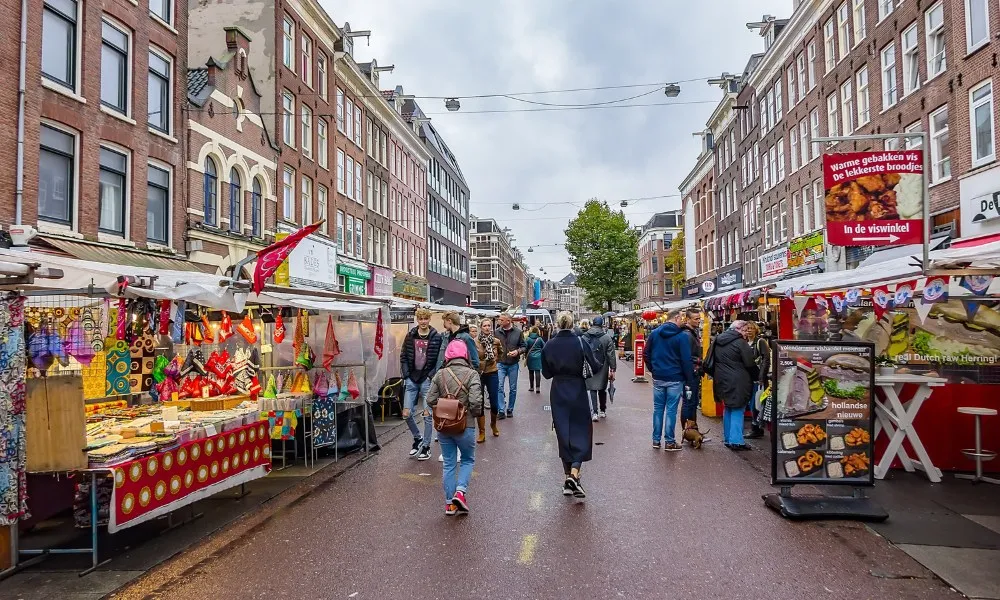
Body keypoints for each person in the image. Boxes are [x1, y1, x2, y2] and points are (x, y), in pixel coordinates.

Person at [542, 311, 601, 498]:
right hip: (577, 388)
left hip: (558, 390)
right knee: (581, 430)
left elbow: (546, 373)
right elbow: (595, 365)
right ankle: (574, 473)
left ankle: (568, 478)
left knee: (563, 432)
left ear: (558, 324)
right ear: (572, 323)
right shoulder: (580, 342)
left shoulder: (549, 345)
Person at [425, 340, 485, 516]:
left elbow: (430, 400)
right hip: (465, 424)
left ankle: (450, 504)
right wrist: (470, 413)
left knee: (449, 463)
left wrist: (445, 406)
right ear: (465, 355)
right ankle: (460, 492)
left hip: (444, 426)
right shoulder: (472, 374)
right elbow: (476, 401)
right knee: (467, 460)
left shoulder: (440, 374)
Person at [644, 309, 695, 451]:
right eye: (682, 319)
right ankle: (670, 442)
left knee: (658, 409)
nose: (683, 321)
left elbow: (646, 353)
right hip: (675, 377)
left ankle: (655, 440)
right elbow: (686, 360)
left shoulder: (654, 334)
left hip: (659, 377)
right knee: (671, 410)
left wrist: (653, 370)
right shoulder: (682, 336)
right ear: (676, 318)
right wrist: (689, 379)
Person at [399, 308, 443, 461]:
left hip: (426, 380)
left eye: (426, 319)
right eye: (421, 319)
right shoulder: (410, 335)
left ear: (429, 319)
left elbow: (439, 359)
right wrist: (406, 375)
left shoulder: (436, 337)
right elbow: (403, 356)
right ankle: (418, 438)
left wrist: (431, 376)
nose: (423, 322)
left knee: (427, 415)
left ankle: (426, 446)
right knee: (406, 413)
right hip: (411, 379)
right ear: (417, 320)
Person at [712, 320, 759, 451]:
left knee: (728, 408)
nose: (746, 333)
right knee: (738, 408)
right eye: (744, 330)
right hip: (739, 380)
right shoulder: (740, 343)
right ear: (738, 330)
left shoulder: (718, 340)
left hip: (722, 379)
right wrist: (758, 376)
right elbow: (750, 363)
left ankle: (728, 438)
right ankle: (736, 441)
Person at [583, 316, 616, 420]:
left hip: (590, 366)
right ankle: (602, 410)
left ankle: (594, 413)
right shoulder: (606, 338)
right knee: (602, 388)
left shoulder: (585, 337)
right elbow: (611, 355)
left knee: (592, 389)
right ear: (602, 324)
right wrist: (613, 369)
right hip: (603, 366)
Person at [476, 319, 504, 440]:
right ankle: (482, 432)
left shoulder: (496, 341)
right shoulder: (475, 342)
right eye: (485, 326)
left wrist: (495, 360)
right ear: (480, 327)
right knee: (479, 403)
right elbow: (473, 357)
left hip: (492, 373)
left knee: (494, 402)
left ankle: (493, 424)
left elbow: (501, 353)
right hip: (480, 374)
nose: (487, 328)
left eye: (489, 325)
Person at [494, 314, 526, 419]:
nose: (499, 321)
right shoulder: (496, 332)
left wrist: (517, 351)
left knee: (513, 388)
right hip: (500, 363)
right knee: (499, 386)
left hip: (513, 364)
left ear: (508, 321)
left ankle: (510, 409)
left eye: (501, 320)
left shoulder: (518, 332)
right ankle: (501, 410)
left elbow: (524, 346)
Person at [746, 322, 771, 439]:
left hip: (758, 379)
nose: (749, 331)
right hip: (748, 378)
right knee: (753, 403)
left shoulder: (760, 342)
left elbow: (766, 360)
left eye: (751, 328)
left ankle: (756, 427)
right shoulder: (744, 342)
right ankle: (757, 426)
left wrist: (761, 377)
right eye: (747, 329)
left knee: (756, 404)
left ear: (756, 330)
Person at [680, 308, 704, 427]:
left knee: (690, 401)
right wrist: (699, 361)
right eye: (696, 319)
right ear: (688, 319)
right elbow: (687, 356)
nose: (699, 321)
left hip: (692, 372)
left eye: (699, 318)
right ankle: (689, 430)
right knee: (689, 402)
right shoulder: (687, 335)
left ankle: (690, 428)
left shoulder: (692, 332)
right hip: (691, 373)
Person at [525, 326, 545, 394]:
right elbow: (544, 346)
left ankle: (531, 387)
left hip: (530, 357)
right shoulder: (539, 339)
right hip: (538, 356)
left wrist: (525, 355)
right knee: (537, 372)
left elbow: (525, 348)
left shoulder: (528, 339)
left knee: (530, 372)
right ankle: (538, 387)